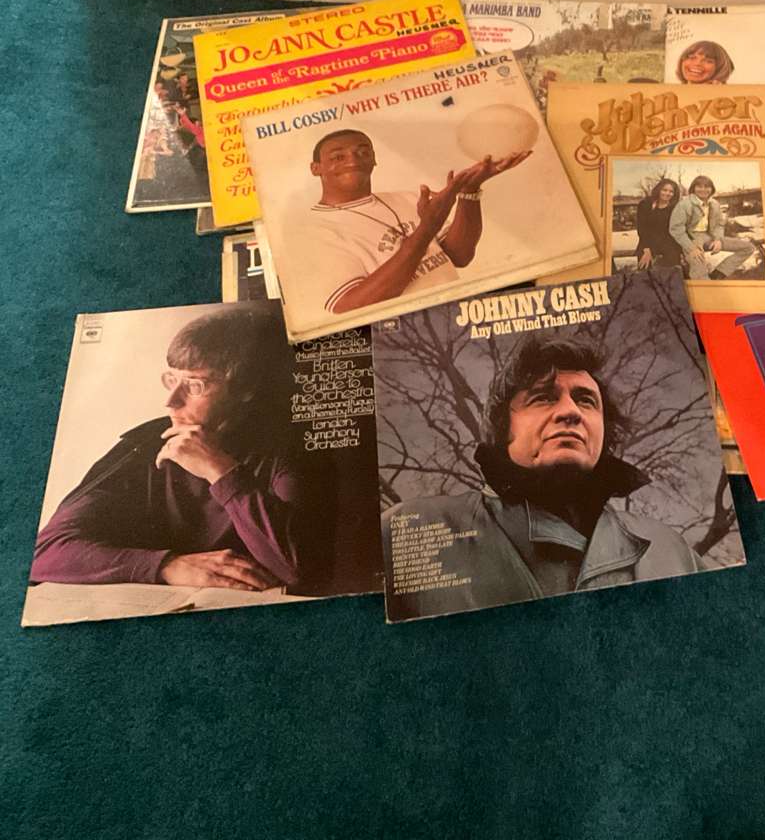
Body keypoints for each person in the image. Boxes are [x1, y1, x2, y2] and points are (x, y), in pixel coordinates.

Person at [379, 338, 704, 619]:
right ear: (503, 428)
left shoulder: (671, 549)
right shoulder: (406, 531)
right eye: (543, 397)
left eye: (586, 400)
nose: (570, 411)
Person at [30, 307, 312, 592]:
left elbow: (303, 569)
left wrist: (221, 471)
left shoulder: (287, 448)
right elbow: (45, 552)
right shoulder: (145, 445)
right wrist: (167, 566)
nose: (170, 401)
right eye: (172, 380)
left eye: (194, 385)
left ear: (244, 388)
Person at [295, 129, 530, 314]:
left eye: (363, 152)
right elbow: (350, 307)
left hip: (457, 313)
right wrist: (427, 227)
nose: (353, 161)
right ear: (316, 168)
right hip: (409, 339)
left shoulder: (406, 198)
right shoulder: (315, 231)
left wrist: (469, 191)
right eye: (338, 157)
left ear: (374, 159)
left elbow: (460, 256)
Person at [667, 174, 758, 280]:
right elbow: (676, 229)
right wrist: (691, 248)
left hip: (710, 236)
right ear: (693, 188)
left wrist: (718, 240)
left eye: (707, 187)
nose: (703, 190)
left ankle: (718, 274)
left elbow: (719, 224)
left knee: (748, 248)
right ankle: (704, 282)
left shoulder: (714, 204)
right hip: (692, 239)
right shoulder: (684, 204)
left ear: (712, 189)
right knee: (700, 273)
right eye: (699, 186)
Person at [633, 178, 684, 271]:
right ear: (659, 190)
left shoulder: (675, 208)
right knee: (645, 270)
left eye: (671, 191)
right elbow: (642, 229)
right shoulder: (645, 204)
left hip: (668, 242)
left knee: (670, 271)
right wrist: (647, 249)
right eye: (664, 190)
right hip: (647, 242)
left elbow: (676, 230)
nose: (667, 193)